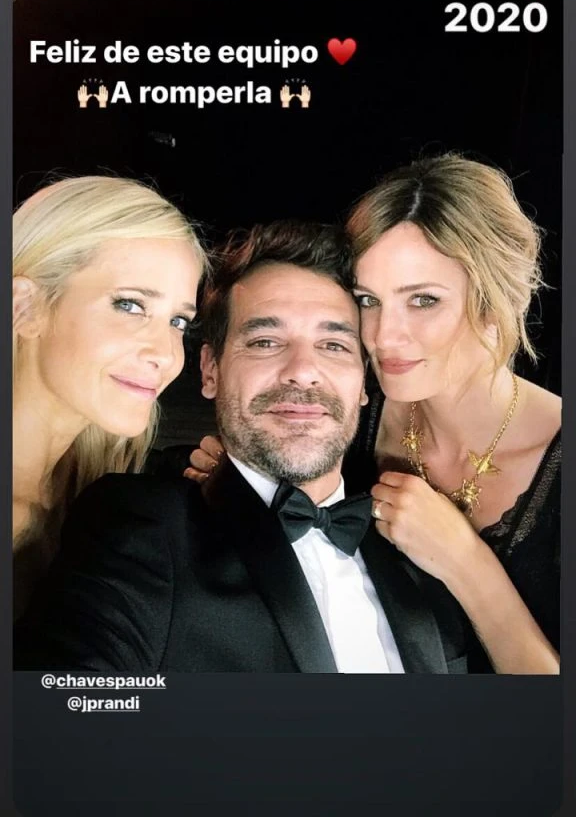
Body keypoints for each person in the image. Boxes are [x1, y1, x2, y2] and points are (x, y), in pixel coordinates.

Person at [14, 221, 468, 673]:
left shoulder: (423, 552)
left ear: (364, 384)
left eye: (333, 345)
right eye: (265, 342)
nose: (303, 371)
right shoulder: (139, 526)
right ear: (210, 370)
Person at [189, 155, 560, 675]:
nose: (383, 336)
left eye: (423, 300)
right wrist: (251, 475)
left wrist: (468, 565)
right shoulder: (351, 409)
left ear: (496, 301)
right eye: (368, 300)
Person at [13, 175, 206, 616]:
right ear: (25, 307)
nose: (166, 354)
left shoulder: (107, 485)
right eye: (130, 305)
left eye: (178, 321)